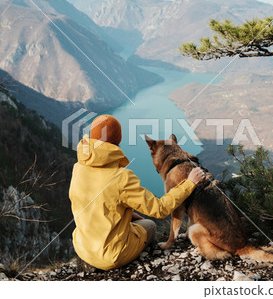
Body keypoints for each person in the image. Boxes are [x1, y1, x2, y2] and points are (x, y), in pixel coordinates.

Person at [69, 114, 204, 271]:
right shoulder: (121, 177)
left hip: (82, 247)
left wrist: (130, 214)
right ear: (117, 141)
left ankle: (90, 260)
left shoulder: (78, 167)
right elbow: (159, 209)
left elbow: (95, 201)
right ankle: (106, 261)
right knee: (150, 225)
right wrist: (189, 182)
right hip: (112, 257)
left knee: (129, 221)